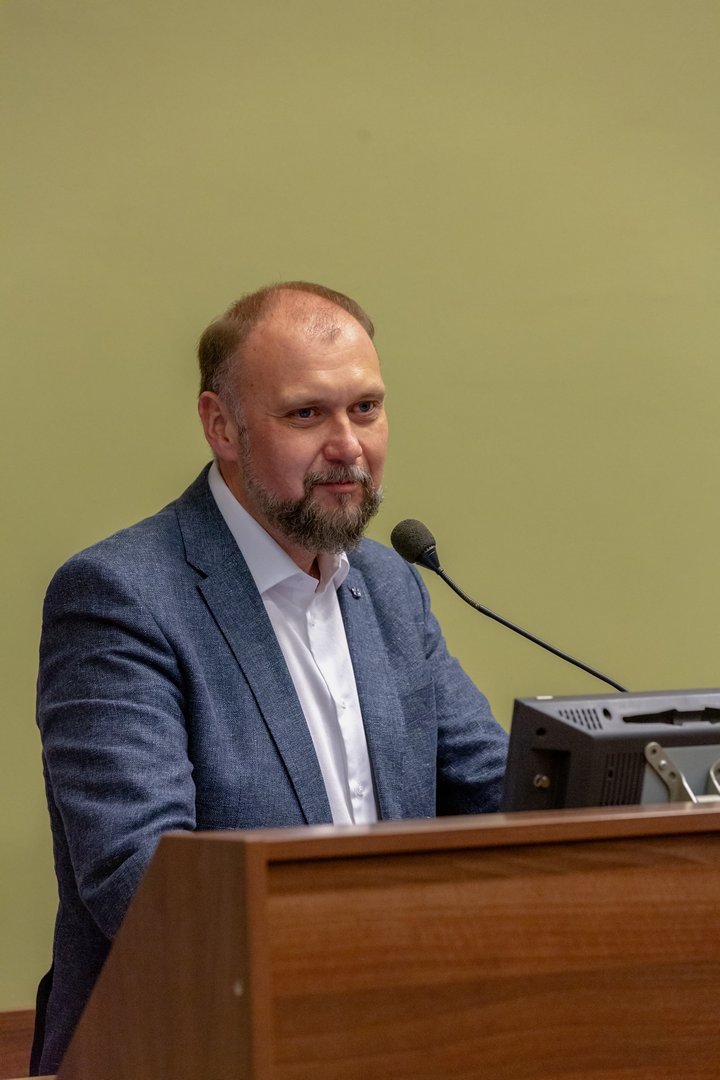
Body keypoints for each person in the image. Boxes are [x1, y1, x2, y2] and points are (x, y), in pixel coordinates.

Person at [32, 281, 508, 1073]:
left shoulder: (390, 586)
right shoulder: (122, 596)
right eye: (307, 413)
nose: (348, 445)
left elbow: (495, 794)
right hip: (184, 1049)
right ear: (221, 425)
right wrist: (375, 954)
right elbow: (141, 880)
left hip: (394, 1041)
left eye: (365, 408)